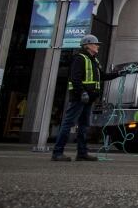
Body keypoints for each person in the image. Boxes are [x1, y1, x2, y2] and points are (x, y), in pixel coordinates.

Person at [52, 34, 125, 162]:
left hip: (88, 99)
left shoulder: (94, 60)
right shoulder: (79, 59)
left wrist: (119, 74)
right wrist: (82, 93)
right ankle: (57, 152)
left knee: (84, 125)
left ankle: (82, 153)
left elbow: (102, 76)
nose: (98, 46)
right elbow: (75, 78)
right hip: (79, 98)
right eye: (95, 44)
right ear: (87, 46)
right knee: (68, 124)